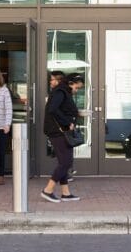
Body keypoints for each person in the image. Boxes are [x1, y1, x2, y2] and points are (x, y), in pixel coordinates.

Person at [40, 69, 81, 203]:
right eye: (77, 87)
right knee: (66, 162)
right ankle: (48, 190)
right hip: (58, 131)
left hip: (60, 131)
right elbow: (53, 110)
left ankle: (65, 193)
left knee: (64, 162)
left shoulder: (63, 92)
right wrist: (67, 121)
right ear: (70, 83)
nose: (77, 90)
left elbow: (61, 109)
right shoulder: (60, 92)